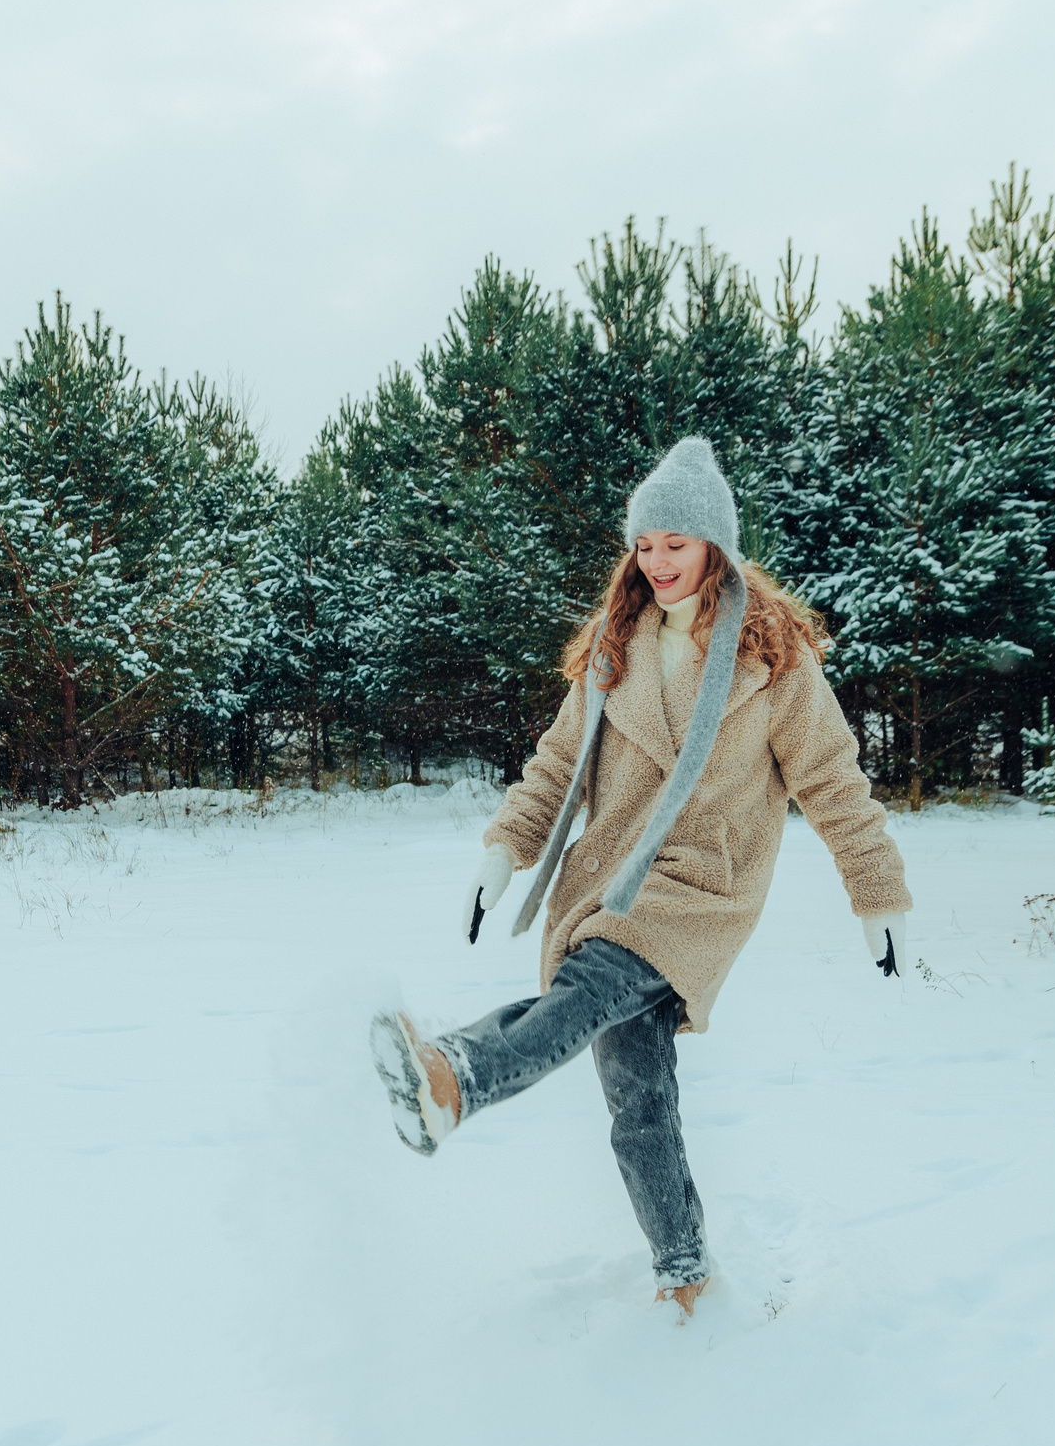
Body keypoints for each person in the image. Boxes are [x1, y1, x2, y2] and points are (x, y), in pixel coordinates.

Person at [369, 436, 912, 1319]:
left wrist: (876, 893)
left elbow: (833, 779)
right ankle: (687, 1270)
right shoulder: (612, 648)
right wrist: (505, 849)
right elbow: (554, 766)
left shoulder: (772, 660)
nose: (658, 562)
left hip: (703, 888)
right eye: (645, 544)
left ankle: (456, 1074)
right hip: (613, 875)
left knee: (588, 988)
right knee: (638, 1098)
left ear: (716, 548)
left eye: (677, 544)